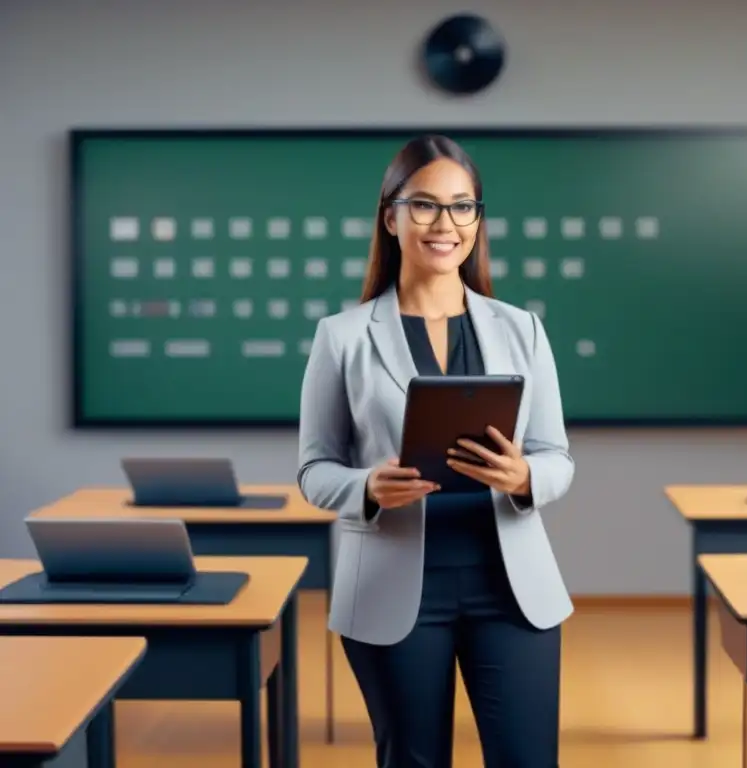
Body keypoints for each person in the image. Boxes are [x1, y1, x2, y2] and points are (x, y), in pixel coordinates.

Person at [297, 134, 575, 767]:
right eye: (423, 205)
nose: (444, 223)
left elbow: (556, 454)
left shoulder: (522, 328)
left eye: (462, 206)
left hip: (511, 589)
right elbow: (314, 469)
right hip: (395, 590)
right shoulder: (341, 337)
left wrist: (524, 475)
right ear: (390, 217)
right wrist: (366, 487)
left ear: (477, 220)